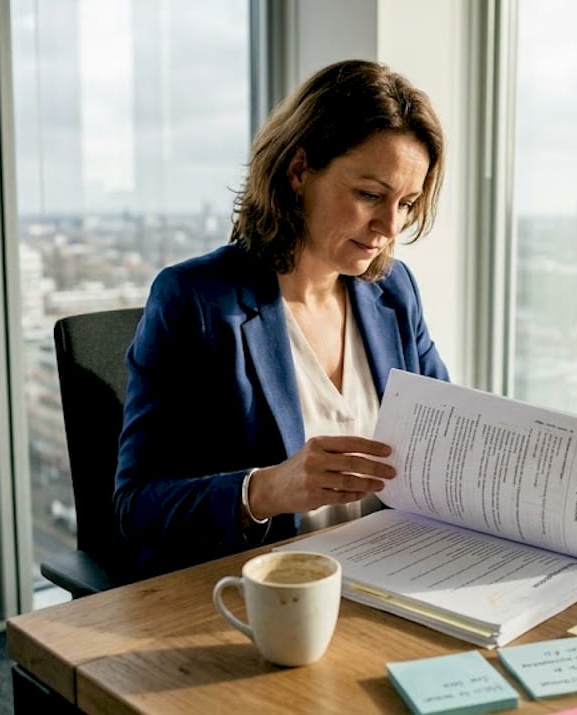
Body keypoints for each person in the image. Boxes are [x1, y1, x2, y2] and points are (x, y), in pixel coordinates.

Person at [113, 59, 450, 577]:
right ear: (299, 171)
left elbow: (446, 439)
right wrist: (266, 490)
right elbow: (137, 508)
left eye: (406, 203)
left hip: (391, 577)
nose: (389, 226)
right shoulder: (196, 302)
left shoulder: (394, 292)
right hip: (269, 594)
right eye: (369, 195)